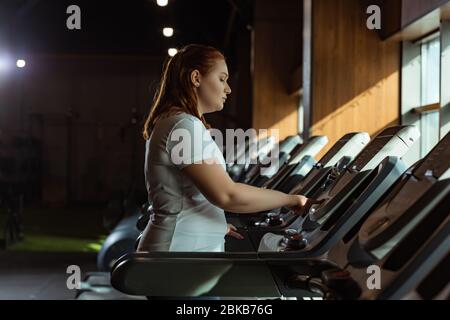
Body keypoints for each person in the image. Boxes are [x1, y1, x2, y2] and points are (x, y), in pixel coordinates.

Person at [137, 44, 319, 252]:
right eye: (222, 79)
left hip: (179, 247)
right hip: (178, 254)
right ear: (196, 78)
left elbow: (184, 196)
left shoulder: (175, 122)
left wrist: (213, 226)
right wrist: (291, 199)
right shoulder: (183, 126)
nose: (228, 88)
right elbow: (227, 195)